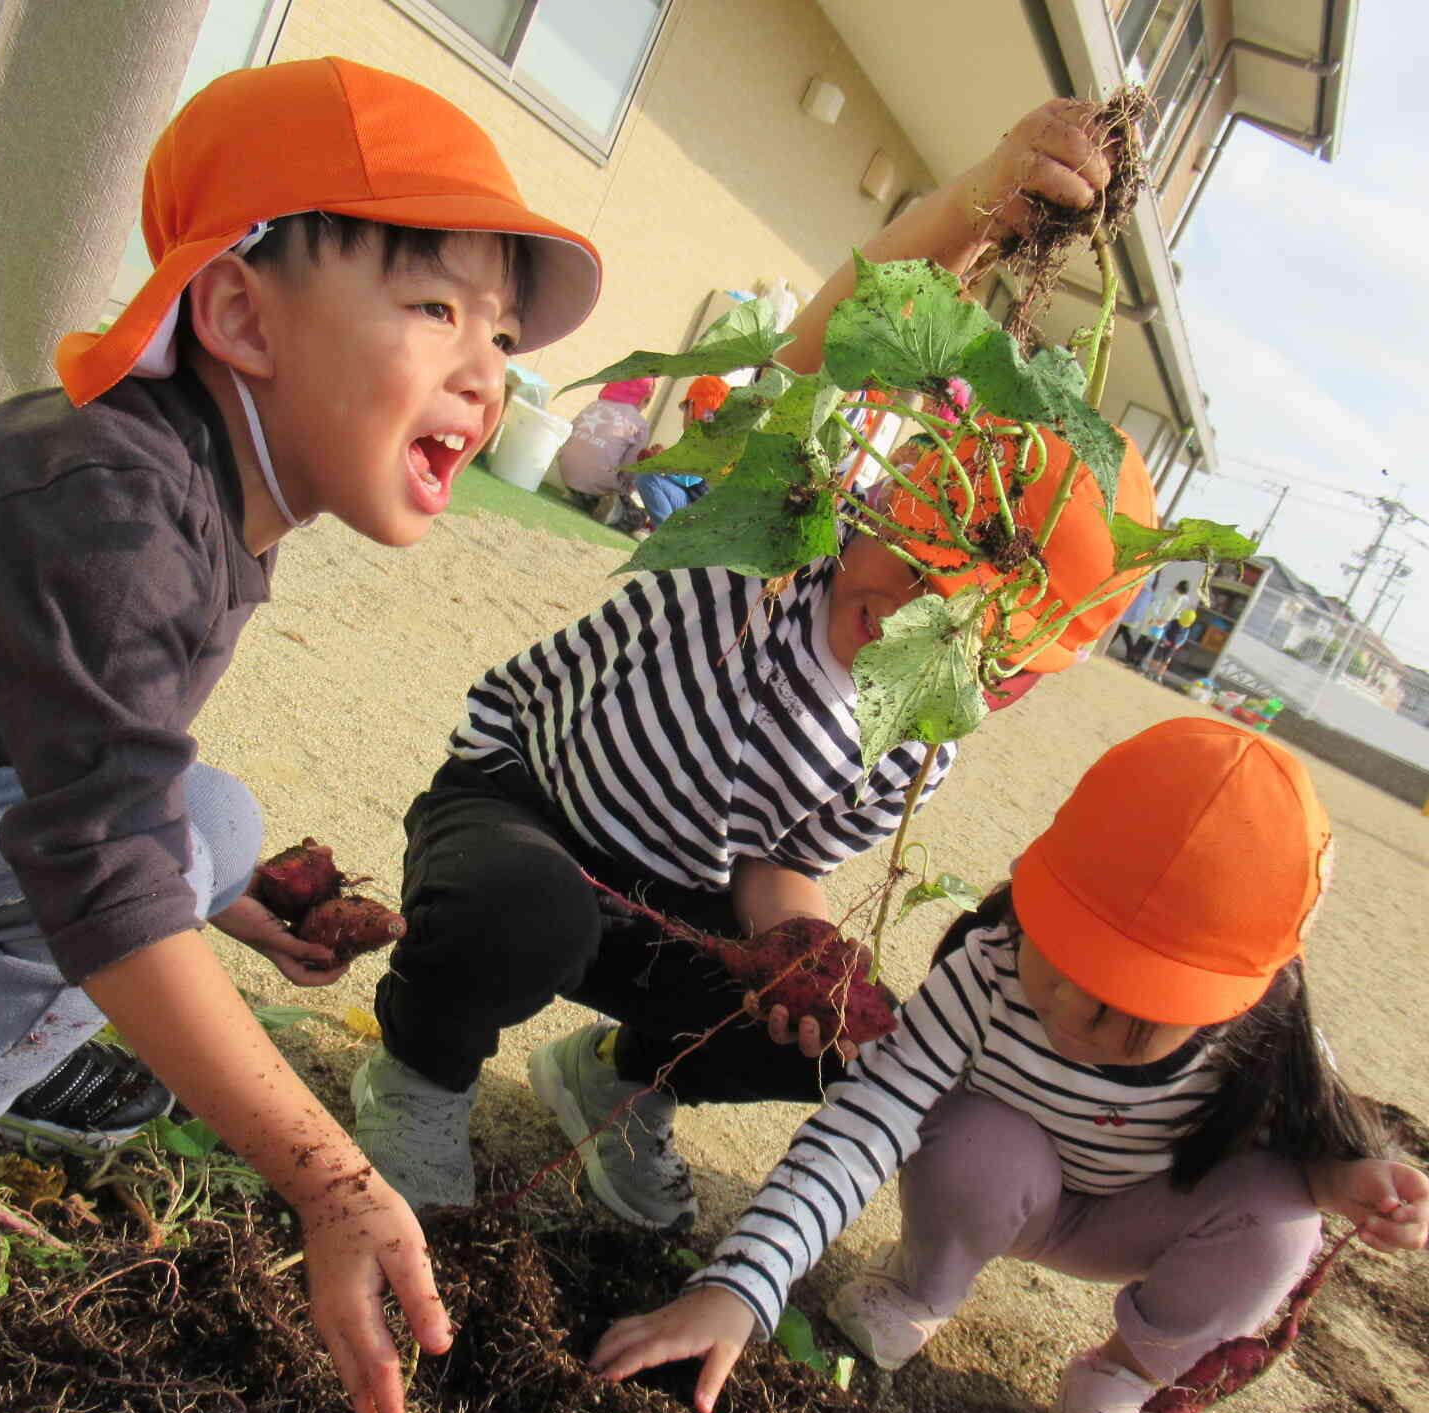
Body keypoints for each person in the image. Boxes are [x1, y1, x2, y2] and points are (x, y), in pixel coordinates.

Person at [0, 56, 602, 1413]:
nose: (484, 375)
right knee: (160, 857)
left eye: (500, 337)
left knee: (209, 834)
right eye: (435, 307)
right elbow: (98, 853)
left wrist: (228, 897)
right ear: (241, 314)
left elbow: (85, 761)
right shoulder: (113, 503)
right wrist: (326, 1176)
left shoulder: (196, 483)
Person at [349, 97, 1148, 1234]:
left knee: (857, 1041)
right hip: (527, 817)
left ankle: (619, 1085)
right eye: (912, 564)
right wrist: (985, 201)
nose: (909, 615)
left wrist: (801, 948)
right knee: (515, 912)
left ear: (1008, 670)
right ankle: (421, 1077)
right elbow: (836, 330)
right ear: (882, 503)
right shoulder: (782, 530)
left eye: (963, 629)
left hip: (676, 911)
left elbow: (777, 860)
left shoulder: (916, 738)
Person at [587, 718, 1429, 1413]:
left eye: (1122, 1010)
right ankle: (925, 1284)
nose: (1067, 1010)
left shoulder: (1269, 1044)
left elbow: (1316, 1162)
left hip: (1140, 1215)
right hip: (1000, 1186)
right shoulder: (988, 971)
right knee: (980, 1136)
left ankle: (1118, 1386)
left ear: (1236, 999)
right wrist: (740, 1287)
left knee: (1284, 1221)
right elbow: (862, 1123)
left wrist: (1353, 1185)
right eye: (1058, 958)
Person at [630, 374, 731, 530]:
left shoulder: (708, 441)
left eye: (685, 408)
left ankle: (664, 534)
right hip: (703, 511)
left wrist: (659, 462)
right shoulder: (717, 438)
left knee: (647, 478)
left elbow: (688, 479)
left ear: (692, 408)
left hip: (702, 516)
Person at [556, 377, 656, 525]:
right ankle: (614, 511)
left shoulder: (594, 406)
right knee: (639, 517)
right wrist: (626, 491)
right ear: (645, 399)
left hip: (566, 474)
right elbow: (630, 469)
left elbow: (568, 436)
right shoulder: (640, 424)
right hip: (599, 488)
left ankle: (576, 494)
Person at [1143, 607, 1197, 683]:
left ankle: (1159, 676)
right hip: (1164, 643)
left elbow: (1184, 639)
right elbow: (1165, 630)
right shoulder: (1173, 622)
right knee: (1157, 658)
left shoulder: (1187, 629)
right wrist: (1165, 639)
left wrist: (1178, 645)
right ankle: (1150, 672)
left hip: (1172, 647)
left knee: (1165, 662)